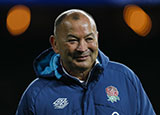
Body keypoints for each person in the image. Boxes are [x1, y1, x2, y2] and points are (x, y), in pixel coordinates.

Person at [16, 9, 155, 115]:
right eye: (72, 40)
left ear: (97, 38)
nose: (82, 48)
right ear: (55, 44)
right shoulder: (36, 95)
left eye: (89, 39)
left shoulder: (125, 78)